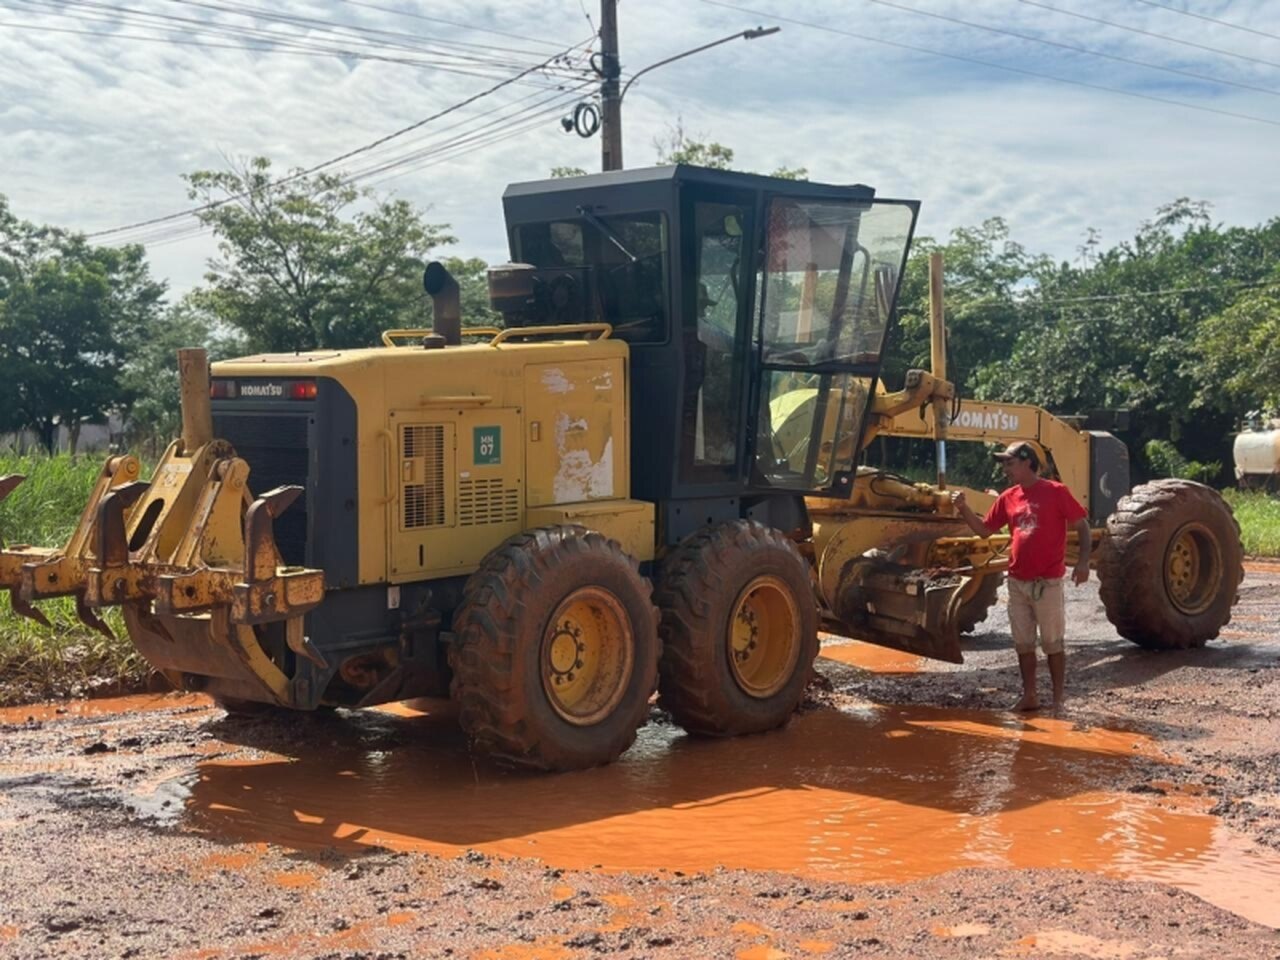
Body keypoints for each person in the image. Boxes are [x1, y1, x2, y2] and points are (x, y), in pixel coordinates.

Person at [951, 441, 1090, 712]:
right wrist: (963, 508)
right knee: (1023, 643)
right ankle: (1030, 696)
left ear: (1028, 462)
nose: (1005, 469)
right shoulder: (1008, 497)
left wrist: (1083, 563)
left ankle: (1058, 700)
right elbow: (983, 530)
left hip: (1047, 582)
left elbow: (1082, 526)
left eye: (1009, 463)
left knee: (1052, 643)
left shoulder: (1056, 492)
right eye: (1004, 464)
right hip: (1017, 582)